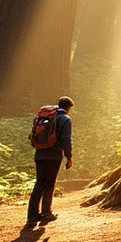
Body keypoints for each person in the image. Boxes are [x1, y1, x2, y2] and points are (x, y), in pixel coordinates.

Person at [28, 96, 73, 225]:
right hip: (54, 156)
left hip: (39, 154)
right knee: (50, 183)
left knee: (39, 183)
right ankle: (46, 213)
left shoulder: (42, 119)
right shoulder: (65, 119)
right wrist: (69, 157)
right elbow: (66, 140)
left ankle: (32, 216)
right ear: (68, 108)